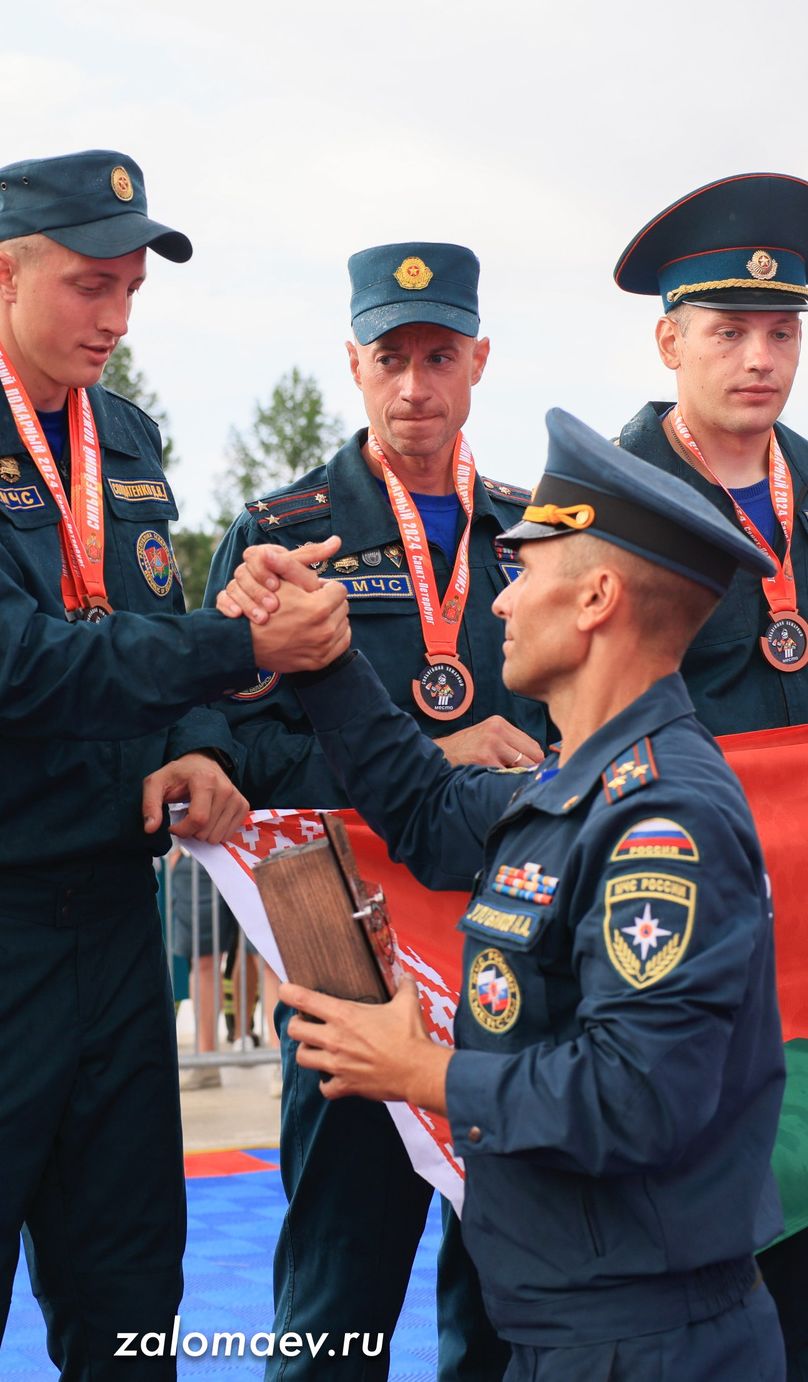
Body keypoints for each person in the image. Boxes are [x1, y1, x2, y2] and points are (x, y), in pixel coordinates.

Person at [0, 149, 350, 1380]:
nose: (113, 320)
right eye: (87, 288)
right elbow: (13, 666)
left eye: (129, 292)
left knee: (128, 1310)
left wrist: (199, 742)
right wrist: (234, 646)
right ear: (3, 273)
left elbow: (138, 625)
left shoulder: (125, 436)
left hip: (109, 928)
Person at [219, 407, 791, 1381]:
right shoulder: (581, 786)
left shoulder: (662, 820)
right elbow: (426, 801)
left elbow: (637, 1091)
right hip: (574, 1325)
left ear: (596, 598)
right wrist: (321, 654)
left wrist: (422, 1071)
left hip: (642, 1344)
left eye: (522, 573)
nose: (497, 602)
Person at [208, 241, 542, 1382]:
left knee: (499, 1307)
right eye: (390, 357)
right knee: (335, 1305)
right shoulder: (281, 538)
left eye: (438, 356)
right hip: (345, 954)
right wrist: (432, 756)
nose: (415, 386)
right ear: (351, 363)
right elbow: (231, 754)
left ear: (478, 361)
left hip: (504, 957)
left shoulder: (538, 535)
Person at [607, 172, 808, 1377]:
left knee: (785, 1236)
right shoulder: (599, 508)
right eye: (727, 331)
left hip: (801, 938)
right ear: (670, 341)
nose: (759, 357)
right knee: (654, 1250)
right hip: (652, 929)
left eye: (780, 330)